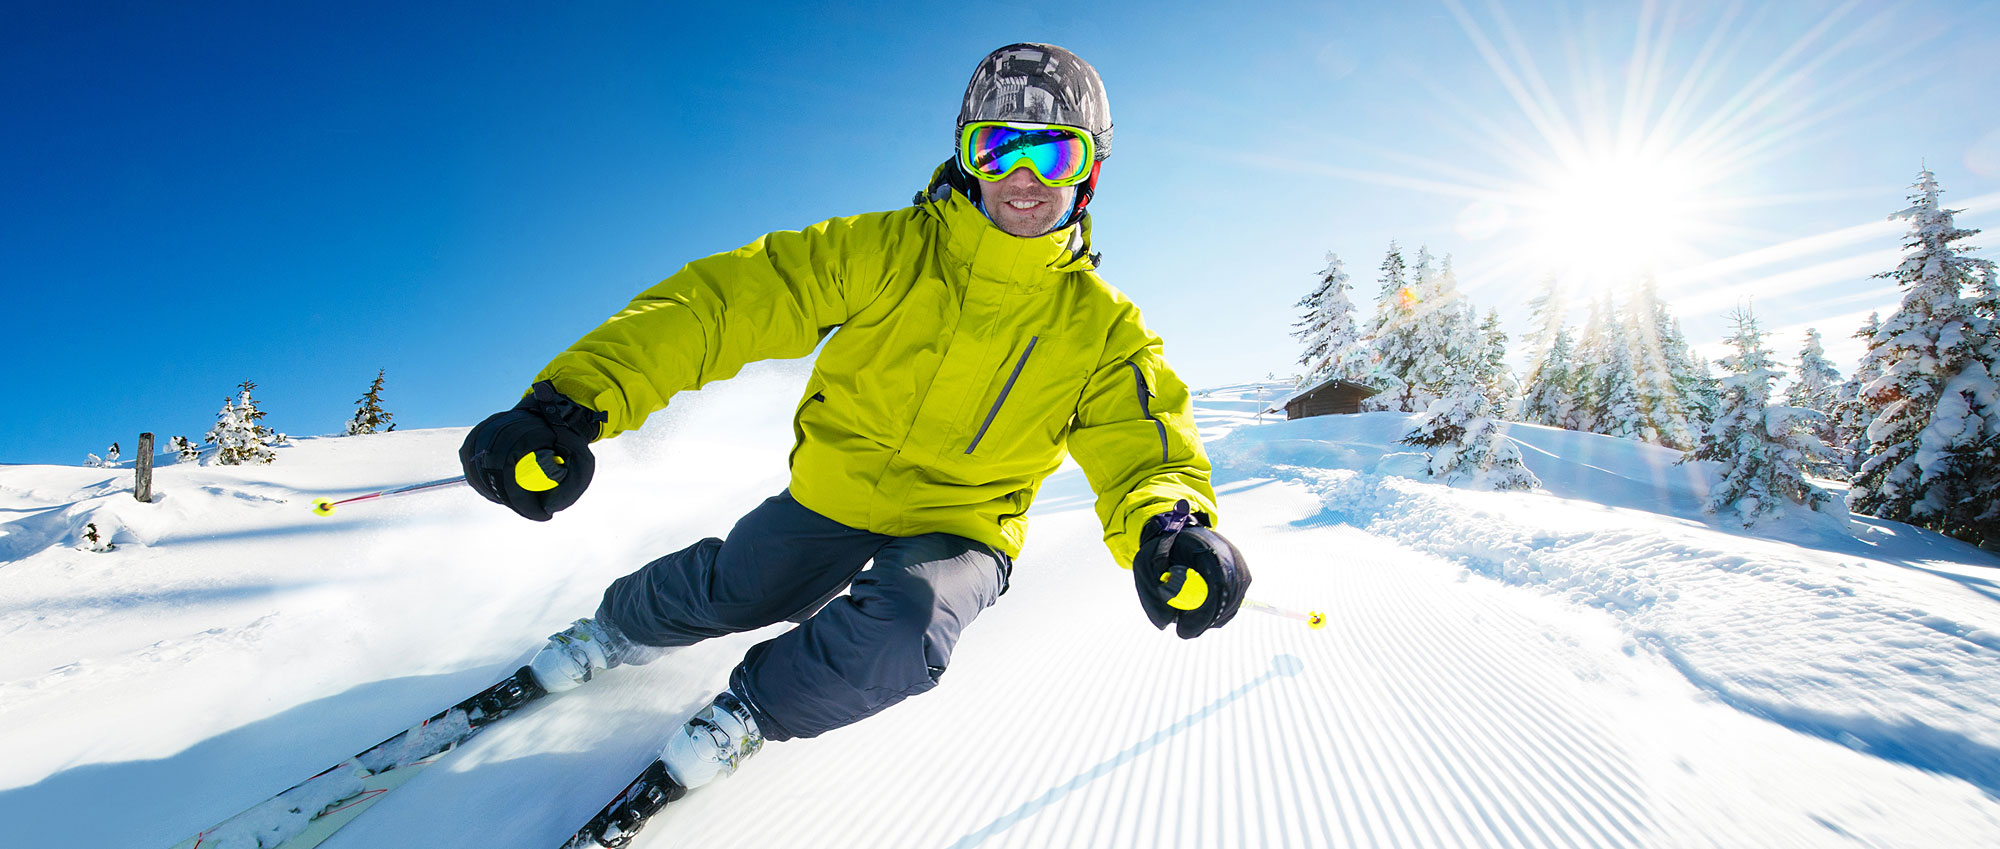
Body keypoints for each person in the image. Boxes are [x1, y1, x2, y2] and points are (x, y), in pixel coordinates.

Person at [459, 42, 1250, 805]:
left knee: (909, 623)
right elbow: (724, 306)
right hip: (835, 492)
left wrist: (1169, 527)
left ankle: (752, 714)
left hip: (965, 525)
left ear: (1092, 174)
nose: (1022, 178)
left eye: (1055, 156)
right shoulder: (886, 252)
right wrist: (570, 400)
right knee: (740, 586)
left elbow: (1145, 448)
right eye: (999, 146)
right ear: (967, 157)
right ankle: (611, 633)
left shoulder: (1105, 331)